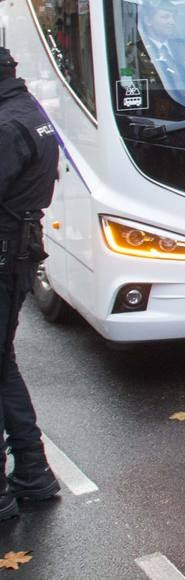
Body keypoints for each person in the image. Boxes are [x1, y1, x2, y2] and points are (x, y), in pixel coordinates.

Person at [0, 48, 61, 517]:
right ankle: (33, 474)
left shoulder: (7, 126)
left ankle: (18, 484)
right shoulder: (29, 112)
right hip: (18, 249)